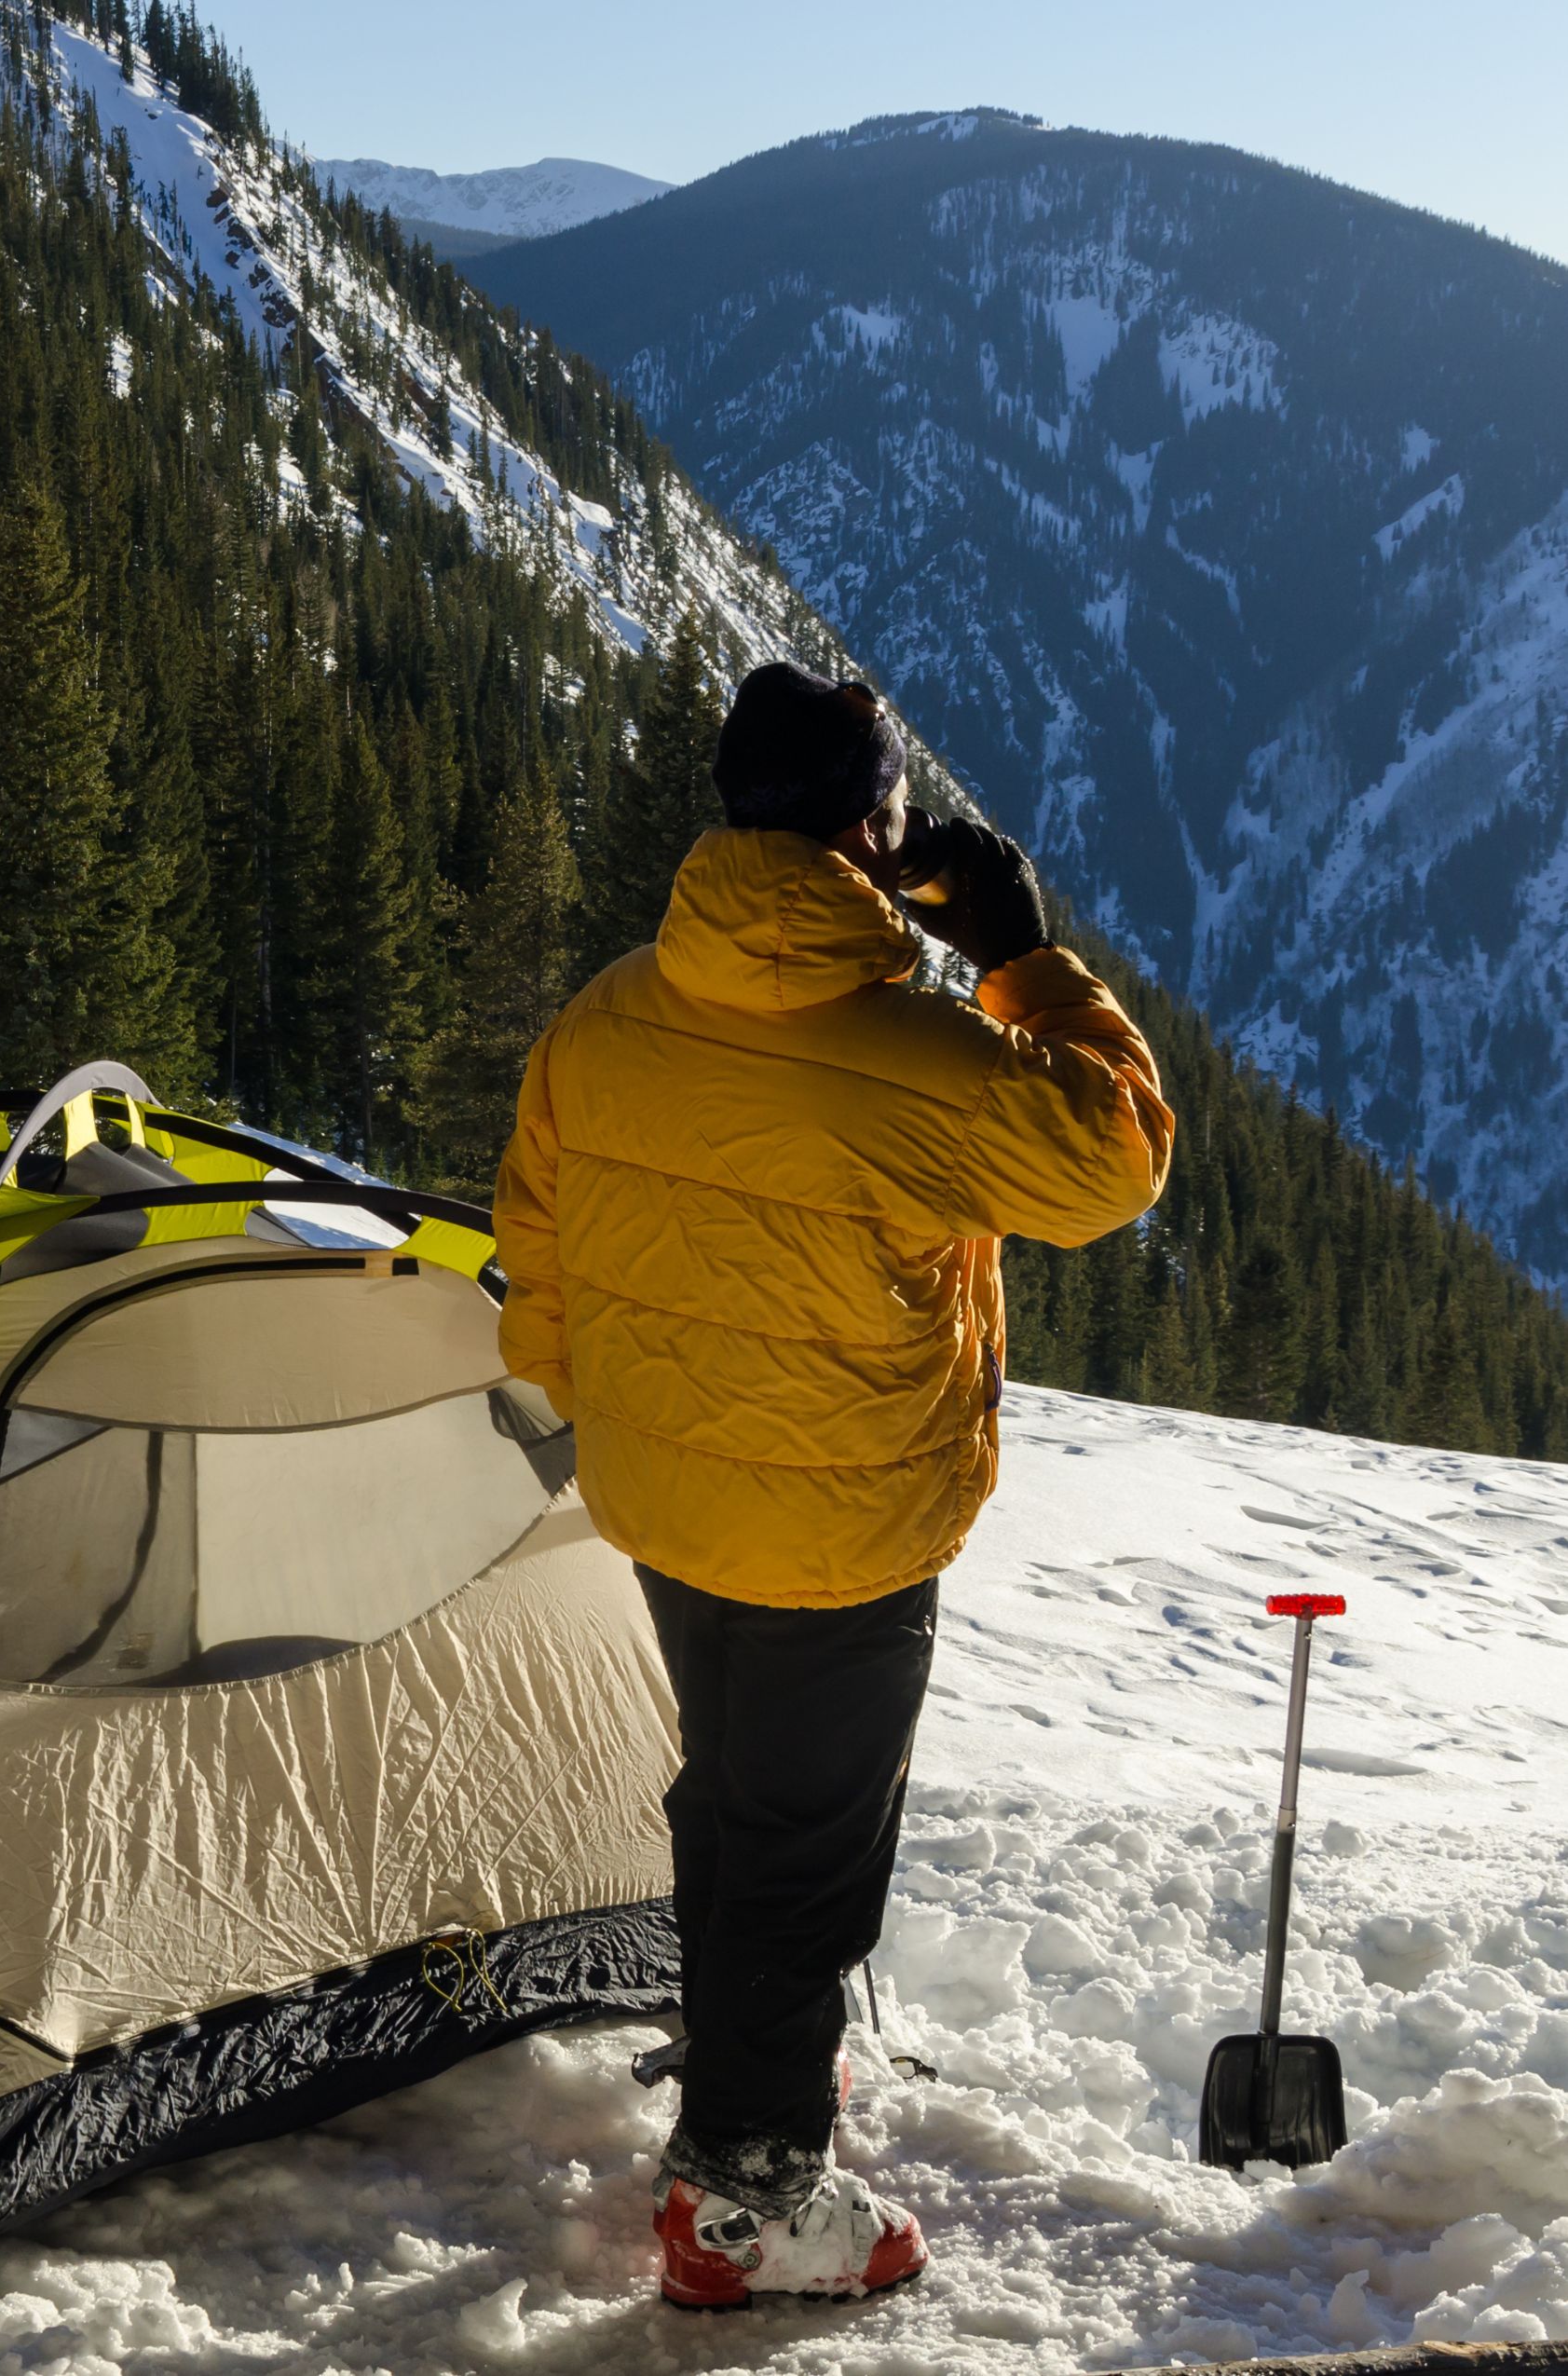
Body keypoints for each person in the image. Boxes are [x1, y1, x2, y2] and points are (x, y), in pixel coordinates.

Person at [493, 662, 1173, 2308]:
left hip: (666, 1503)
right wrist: (1018, 953)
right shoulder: (920, 1054)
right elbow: (1118, 1158)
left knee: (732, 1797)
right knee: (805, 1850)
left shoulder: (605, 1015)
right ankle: (742, 2199)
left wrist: (621, 1421)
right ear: (875, 833)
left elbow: (537, 1247)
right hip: (843, 1527)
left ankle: (745, 2074)